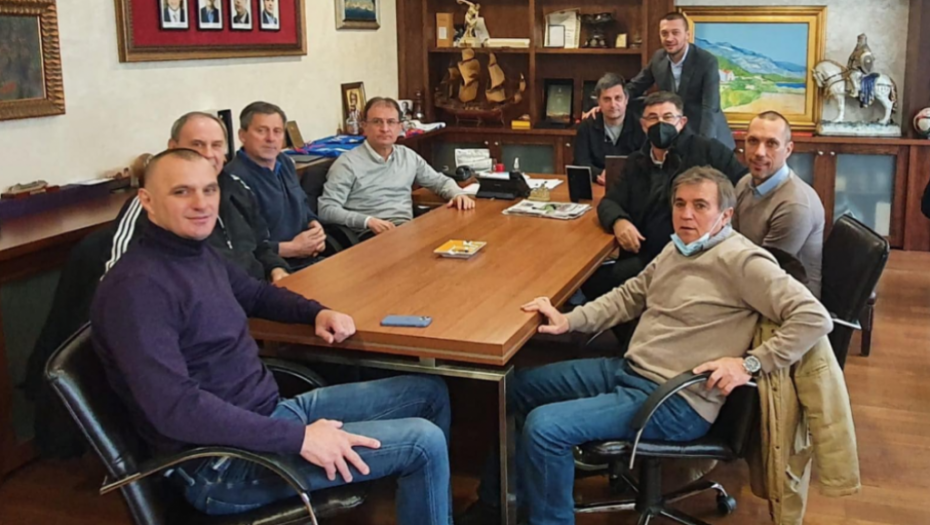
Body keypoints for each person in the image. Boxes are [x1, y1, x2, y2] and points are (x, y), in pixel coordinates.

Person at [91, 149, 453, 524]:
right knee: (422, 443)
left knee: (429, 392)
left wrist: (316, 312)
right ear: (147, 201)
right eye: (182, 192)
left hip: (268, 417)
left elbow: (256, 295)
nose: (201, 204)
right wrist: (299, 438)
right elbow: (176, 409)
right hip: (220, 464)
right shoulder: (137, 289)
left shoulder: (195, 253)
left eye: (209, 190)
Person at [457, 166, 832, 525]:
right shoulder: (681, 247)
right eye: (680, 203)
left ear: (726, 215)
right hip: (632, 370)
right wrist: (569, 319)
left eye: (700, 205)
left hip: (676, 399)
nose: (686, 214)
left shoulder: (743, 261)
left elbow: (815, 317)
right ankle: (497, 505)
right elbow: (629, 296)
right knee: (516, 389)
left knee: (545, 427)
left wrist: (749, 364)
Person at [583, 91, 746, 300]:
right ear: (643, 125)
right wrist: (618, 221)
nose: (660, 124)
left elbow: (743, 187)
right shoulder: (636, 162)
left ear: (682, 122)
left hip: (697, 256)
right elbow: (610, 202)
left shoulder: (709, 151)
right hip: (646, 255)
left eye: (668, 117)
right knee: (591, 282)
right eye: (653, 118)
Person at [108, 111, 290, 282]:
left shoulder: (238, 188)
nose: (208, 154)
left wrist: (277, 270)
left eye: (216, 145)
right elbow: (121, 280)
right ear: (173, 147)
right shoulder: (150, 203)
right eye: (197, 144)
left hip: (256, 293)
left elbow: (261, 246)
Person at [319, 97, 474, 238]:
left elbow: (439, 181)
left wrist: (457, 194)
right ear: (364, 126)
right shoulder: (347, 163)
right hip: (371, 236)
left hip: (406, 232)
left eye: (391, 122)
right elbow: (326, 209)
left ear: (400, 127)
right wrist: (367, 221)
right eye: (377, 122)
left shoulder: (407, 156)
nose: (385, 128)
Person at [225, 101, 325, 271]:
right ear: (242, 135)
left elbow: (302, 205)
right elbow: (242, 246)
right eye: (261, 130)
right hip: (271, 270)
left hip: (309, 260)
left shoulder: (285, 162)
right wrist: (292, 248)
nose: (271, 138)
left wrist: (314, 226)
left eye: (277, 131)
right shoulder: (233, 179)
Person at [734, 111, 825, 297]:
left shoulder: (795, 206)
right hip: (750, 279)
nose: (759, 152)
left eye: (771, 144)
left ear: (788, 150)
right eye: (753, 141)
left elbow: (764, 272)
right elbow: (730, 240)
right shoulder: (745, 183)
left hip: (788, 300)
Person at [625, 12, 734, 149]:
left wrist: (704, 145)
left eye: (675, 33)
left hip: (707, 135)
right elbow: (636, 86)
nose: (669, 38)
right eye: (664, 33)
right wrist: (614, 100)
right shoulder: (658, 58)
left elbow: (710, 108)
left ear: (687, 35)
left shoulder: (706, 61)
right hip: (674, 137)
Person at [572, 73, 646, 186]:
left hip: (632, 185)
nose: (613, 104)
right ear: (599, 102)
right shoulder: (586, 126)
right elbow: (580, 161)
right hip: (597, 185)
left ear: (626, 100)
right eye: (607, 99)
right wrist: (598, 173)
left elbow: (645, 162)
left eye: (618, 98)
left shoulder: (640, 126)